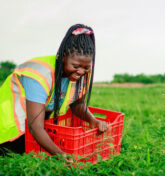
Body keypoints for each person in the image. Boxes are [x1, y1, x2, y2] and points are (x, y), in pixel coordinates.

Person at [0, 24, 109, 156]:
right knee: (17, 160)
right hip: (9, 129)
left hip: (33, 128)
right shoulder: (39, 74)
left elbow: (77, 103)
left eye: (86, 67)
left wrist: (93, 120)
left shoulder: (83, 72)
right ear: (63, 56)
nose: (81, 71)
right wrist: (60, 155)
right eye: (76, 66)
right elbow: (35, 127)